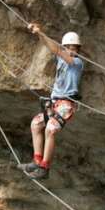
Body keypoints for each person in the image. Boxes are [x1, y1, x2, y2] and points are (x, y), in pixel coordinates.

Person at [17, 24, 84, 179]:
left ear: (78, 50)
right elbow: (52, 48)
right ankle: (37, 160)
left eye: (74, 48)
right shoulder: (61, 60)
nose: (71, 50)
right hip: (54, 103)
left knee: (50, 129)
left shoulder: (77, 63)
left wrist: (41, 32)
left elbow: (57, 50)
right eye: (68, 47)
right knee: (36, 124)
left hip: (66, 104)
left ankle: (45, 168)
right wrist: (39, 34)